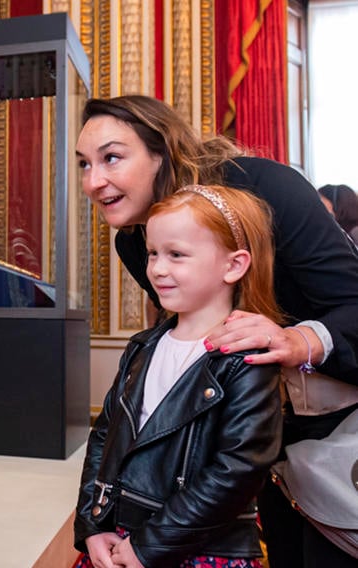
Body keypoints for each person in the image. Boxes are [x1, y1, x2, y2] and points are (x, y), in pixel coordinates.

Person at [76, 94, 358, 567]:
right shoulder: (134, 240)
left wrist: (298, 341)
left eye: (111, 158)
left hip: (331, 435)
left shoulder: (270, 189)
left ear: (161, 152)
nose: (93, 181)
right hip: (254, 457)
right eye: (84, 164)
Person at [74, 184, 284, 568]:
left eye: (176, 255)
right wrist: (92, 523)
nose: (157, 268)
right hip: (121, 538)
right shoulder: (143, 347)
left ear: (233, 265)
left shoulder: (247, 359)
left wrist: (149, 546)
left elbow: (237, 470)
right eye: (153, 253)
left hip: (198, 550)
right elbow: (105, 437)